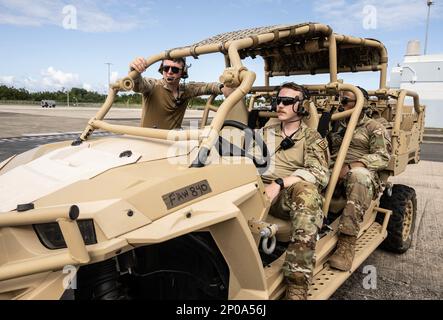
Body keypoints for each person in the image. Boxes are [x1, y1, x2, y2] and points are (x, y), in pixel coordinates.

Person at [258, 82, 330, 300]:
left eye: (287, 102)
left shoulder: (312, 138)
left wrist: (279, 183)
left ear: (301, 106)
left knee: (307, 194)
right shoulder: (264, 132)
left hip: (285, 196)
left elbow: (319, 173)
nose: (280, 105)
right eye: (278, 101)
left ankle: (297, 283)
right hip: (254, 188)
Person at [328, 87, 391, 271]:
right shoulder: (336, 123)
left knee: (359, 177)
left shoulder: (373, 126)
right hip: (333, 167)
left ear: (361, 104)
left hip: (359, 171)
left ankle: (346, 243)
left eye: (346, 100)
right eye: (340, 100)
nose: (341, 104)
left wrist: (351, 166)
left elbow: (382, 156)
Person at [130, 57, 231, 129]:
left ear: (183, 72)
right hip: (149, 141)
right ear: (162, 69)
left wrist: (222, 88)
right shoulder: (153, 85)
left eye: (174, 69)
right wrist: (134, 71)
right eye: (166, 68)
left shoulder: (186, 90)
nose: (169, 72)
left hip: (173, 143)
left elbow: (207, 87)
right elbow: (138, 84)